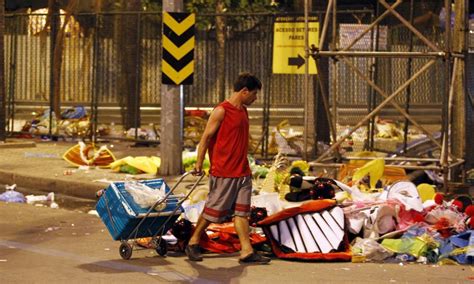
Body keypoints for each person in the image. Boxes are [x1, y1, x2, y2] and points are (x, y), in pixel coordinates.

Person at [185, 72, 271, 264]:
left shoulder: (243, 111)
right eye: (254, 94)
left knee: (242, 213)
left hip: (242, 172)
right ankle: (193, 241)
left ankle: (246, 251)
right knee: (213, 211)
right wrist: (199, 162)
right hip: (224, 171)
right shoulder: (221, 111)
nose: (255, 98)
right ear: (244, 91)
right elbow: (206, 137)